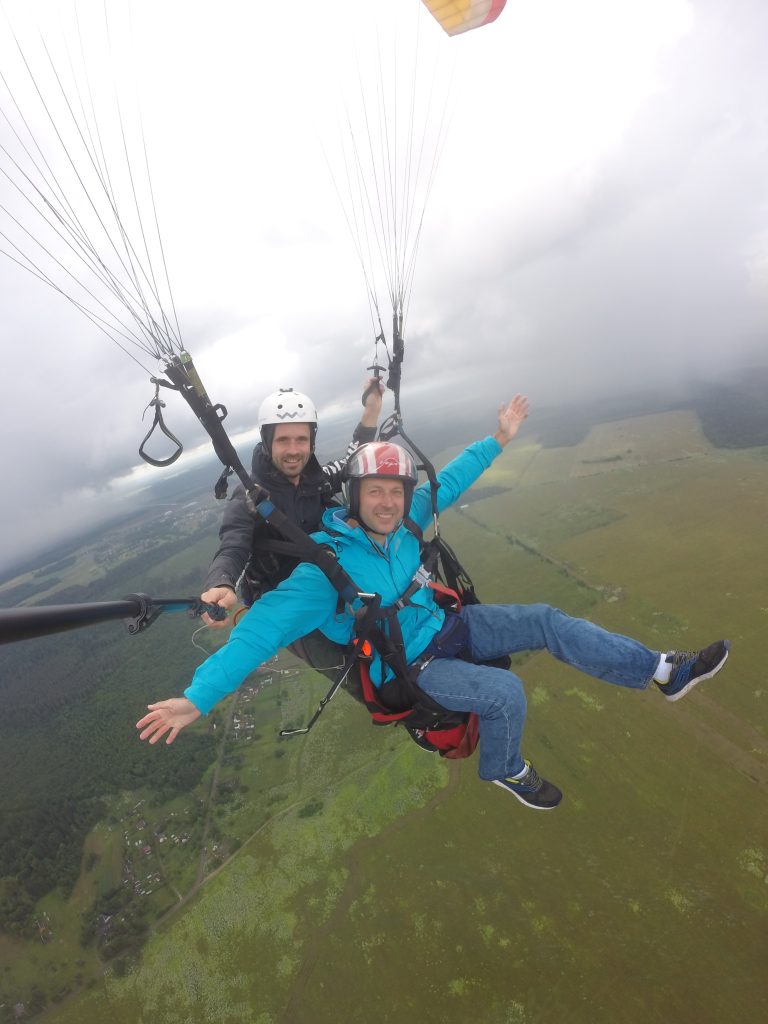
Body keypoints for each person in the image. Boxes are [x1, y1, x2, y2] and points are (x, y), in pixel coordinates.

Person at [138, 395, 730, 811]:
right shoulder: (325, 569)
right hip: (414, 664)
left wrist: (498, 439)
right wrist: (198, 699)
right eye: (376, 493)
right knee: (506, 693)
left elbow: (451, 479)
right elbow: (260, 631)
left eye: (395, 493)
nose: (389, 504)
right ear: (356, 498)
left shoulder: (404, 524)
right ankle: (505, 769)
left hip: (452, 626)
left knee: (546, 620)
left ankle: (662, 671)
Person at [200, 379, 383, 626]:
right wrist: (221, 582)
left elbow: (353, 459)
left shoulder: (318, 480)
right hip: (283, 599)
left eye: (301, 439)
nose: (294, 450)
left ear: (312, 441)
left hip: (326, 579)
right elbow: (234, 544)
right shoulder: (250, 497)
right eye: (283, 440)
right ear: (267, 443)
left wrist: (372, 409)